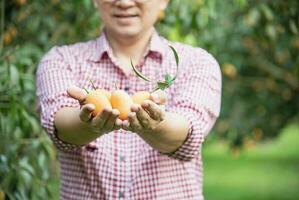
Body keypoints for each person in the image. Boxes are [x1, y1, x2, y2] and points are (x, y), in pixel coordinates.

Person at [35, 0, 221, 199]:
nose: (124, 2)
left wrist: (155, 124)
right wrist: (88, 124)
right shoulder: (61, 61)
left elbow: (188, 133)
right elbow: (60, 127)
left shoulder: (195, 63)